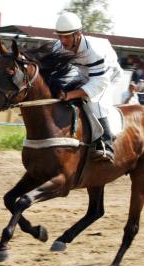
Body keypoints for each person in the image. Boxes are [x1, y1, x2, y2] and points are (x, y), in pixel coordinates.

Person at [53, 12, 127, 162]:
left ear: (78, 35)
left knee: (95, 102)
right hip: (83, 72)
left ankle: (106, 145)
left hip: (107, 75)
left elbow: (98, 84)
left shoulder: (94, 50)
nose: (62, 40)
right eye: (60, 36)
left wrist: (69, 95)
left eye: (67, 36)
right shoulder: (58, 47)